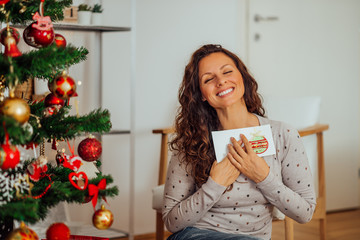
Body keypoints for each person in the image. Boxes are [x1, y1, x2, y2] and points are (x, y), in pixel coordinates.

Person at [162, 44, 316, 240]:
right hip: (196, 235)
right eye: (208, 79)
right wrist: (215, 184)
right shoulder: (193, 141)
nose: (221, 81)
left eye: (227, 71)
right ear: (201, 94)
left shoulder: (282, 134)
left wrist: (263, 177)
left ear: (242, 77)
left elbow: (305, 213)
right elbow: (171, 221)